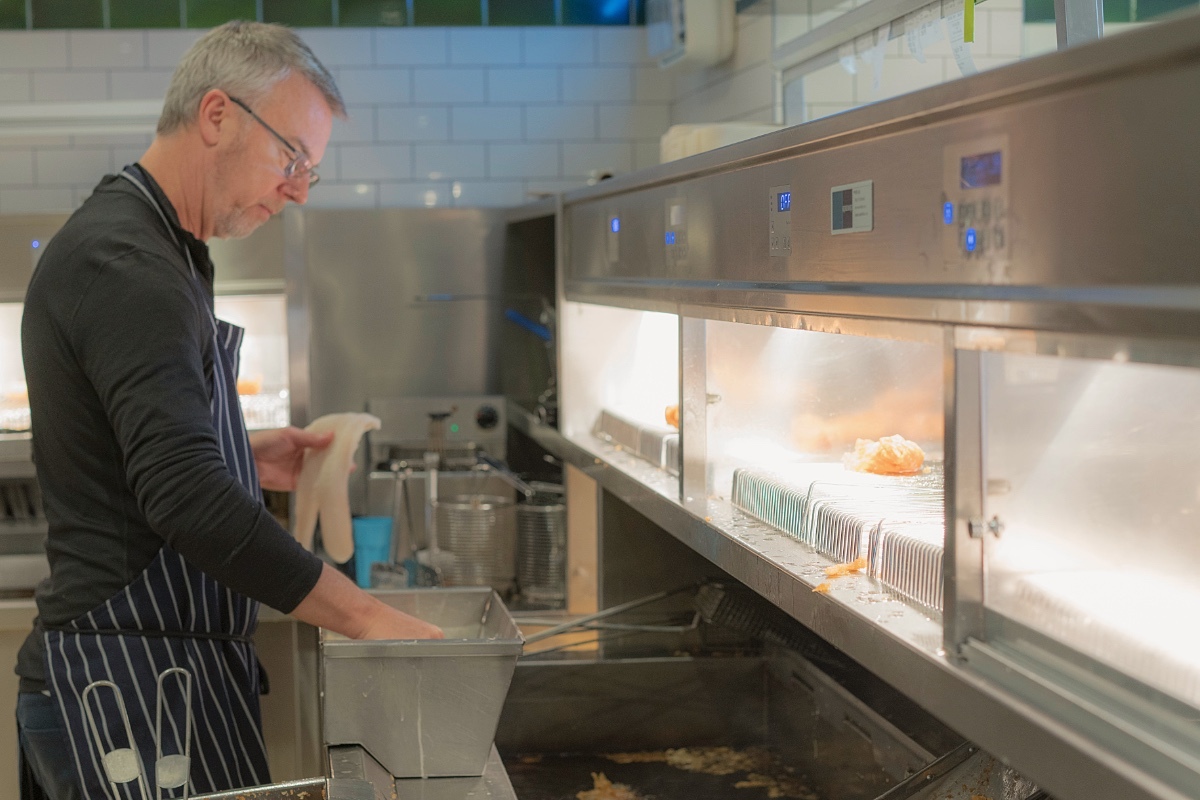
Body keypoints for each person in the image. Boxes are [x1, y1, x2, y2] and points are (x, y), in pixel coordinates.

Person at [14, 21, 442, 800]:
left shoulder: (163, 246)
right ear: (217, 116)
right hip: (128, 694)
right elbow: (186, 499)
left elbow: (146, 447)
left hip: (156, 677)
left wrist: (240, 448)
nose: (300, 189)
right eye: (294, 158)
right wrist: (366, 618)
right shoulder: (128, 264)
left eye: (309, 169)